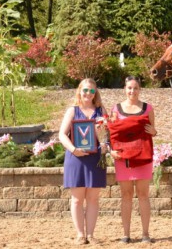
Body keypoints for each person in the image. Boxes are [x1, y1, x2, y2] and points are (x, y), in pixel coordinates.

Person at [109, 76, 157, 244]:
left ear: (140, 89)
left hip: (143, 156)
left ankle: (145, 234)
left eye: (135, 88)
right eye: (129, 88)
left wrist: (154, 132)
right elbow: (112, 133)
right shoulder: (116, 109)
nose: (132, 91)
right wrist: (111, 151)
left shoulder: (148, 108)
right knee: (126, 194)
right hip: (123, 158)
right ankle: (126, 234)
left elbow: (152, 131)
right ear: (125, 88)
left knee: (143, 194)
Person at [59, 78, 108, 245]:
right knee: (77, 199)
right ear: (79, 91)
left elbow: (107, 135)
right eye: (85, 90)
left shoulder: (101, 111)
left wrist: (105, 145)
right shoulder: (72, 111)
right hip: (76, 158)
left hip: (95, 159)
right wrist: (73, 149)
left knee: (93, 199)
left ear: (95, 93)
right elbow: (62, 135)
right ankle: (80, 235)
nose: (88, 93)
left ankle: (91, 235)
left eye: (91, 91)